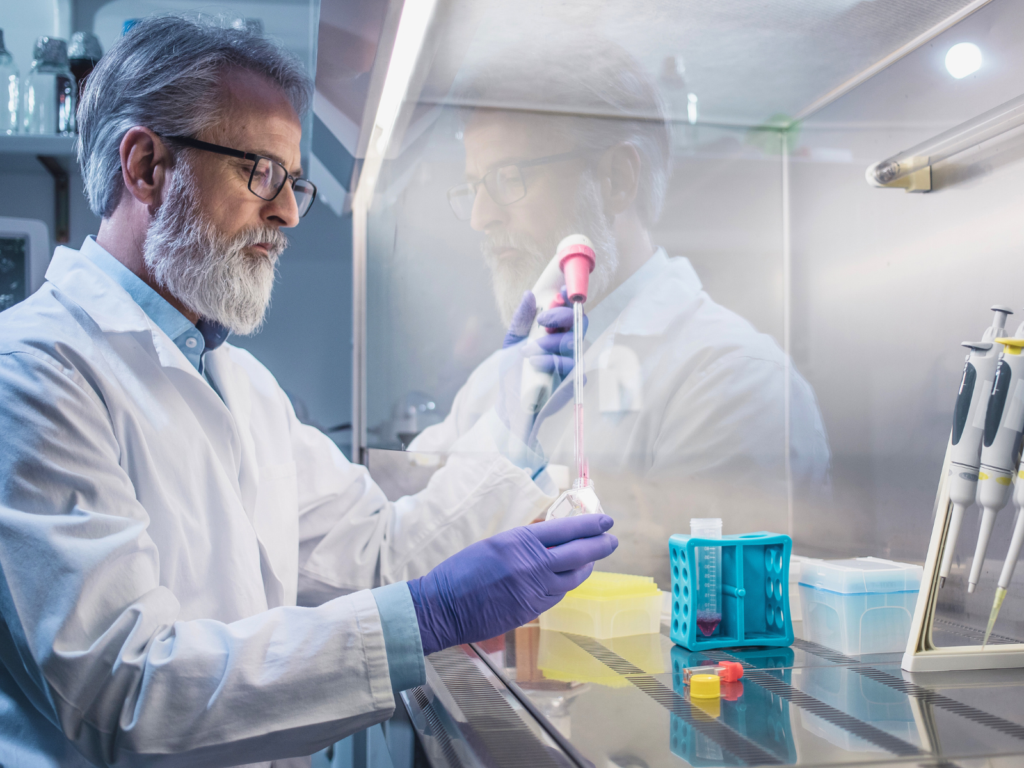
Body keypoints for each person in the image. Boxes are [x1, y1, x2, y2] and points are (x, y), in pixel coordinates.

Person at [0, 17, 618, 767]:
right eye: (261, 172)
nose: (288, 212)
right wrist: (431, 615)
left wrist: (517, 384)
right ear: (147, 167)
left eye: (295, 182)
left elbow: (382, 555)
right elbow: (123, 692)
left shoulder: (239, 384)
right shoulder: (33, 371)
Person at [410, 42, 832, 582]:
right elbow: (412, 532)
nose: (480, 216)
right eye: (473, 187)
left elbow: (694, 619)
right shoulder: (502, 379)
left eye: (507, 178)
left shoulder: (736, 380)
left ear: (616, 179)